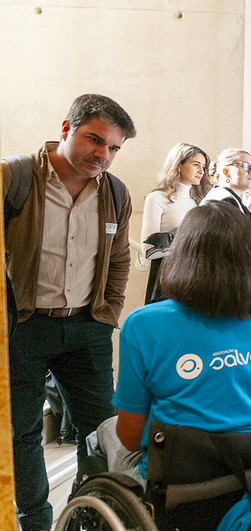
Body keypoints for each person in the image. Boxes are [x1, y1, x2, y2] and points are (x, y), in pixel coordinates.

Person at [2, 93, 136, 531]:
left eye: (113, 147)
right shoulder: (15, 177)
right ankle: (35, 522)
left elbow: (118, 260)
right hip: (24, 326)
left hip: (86, 328)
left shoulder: (115, 192)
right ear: (66, 130)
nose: (103, 154)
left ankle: (88, 517)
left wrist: (107, 315)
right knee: (22, 435)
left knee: (100, 433)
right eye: (94, 140)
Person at [96, 201, 251, 491]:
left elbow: (131, 437)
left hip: (181, 475)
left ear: (183, 254)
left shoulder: (143, 325)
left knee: (101, 435)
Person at [141, 142, 212, 304]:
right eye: (196, 165)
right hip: (167, 277)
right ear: (179, 164)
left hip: (197, 277)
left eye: (204, 166)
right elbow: (148, 250)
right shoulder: (158, 198)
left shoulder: (202, 202)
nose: (201, 171)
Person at [201, 147, 251, 232]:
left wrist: (247, 208)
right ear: (226, 172)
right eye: (245, 166)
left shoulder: (228, 198)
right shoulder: (223, 200)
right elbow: (239, 243)